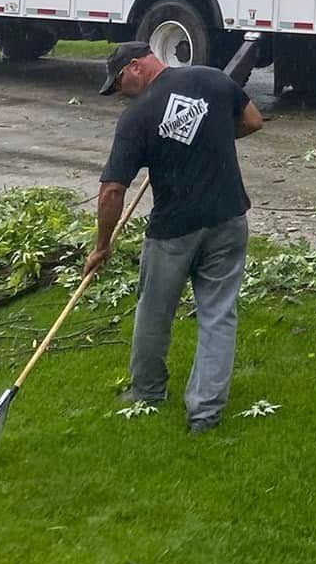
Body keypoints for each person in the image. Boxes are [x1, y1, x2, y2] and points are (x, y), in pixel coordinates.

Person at [87, 39, 263, 432]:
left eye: (118, 83)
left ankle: (147, 391)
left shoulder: (138, 116)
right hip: (228, 218)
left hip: (173, 232)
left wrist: (102, 246)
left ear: (136, 66)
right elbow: (253, 121)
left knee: (154, 310)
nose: (120, 94)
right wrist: (209, 137)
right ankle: (205, 414)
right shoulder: (213, 80)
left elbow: (112, 191)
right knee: (218, 315)